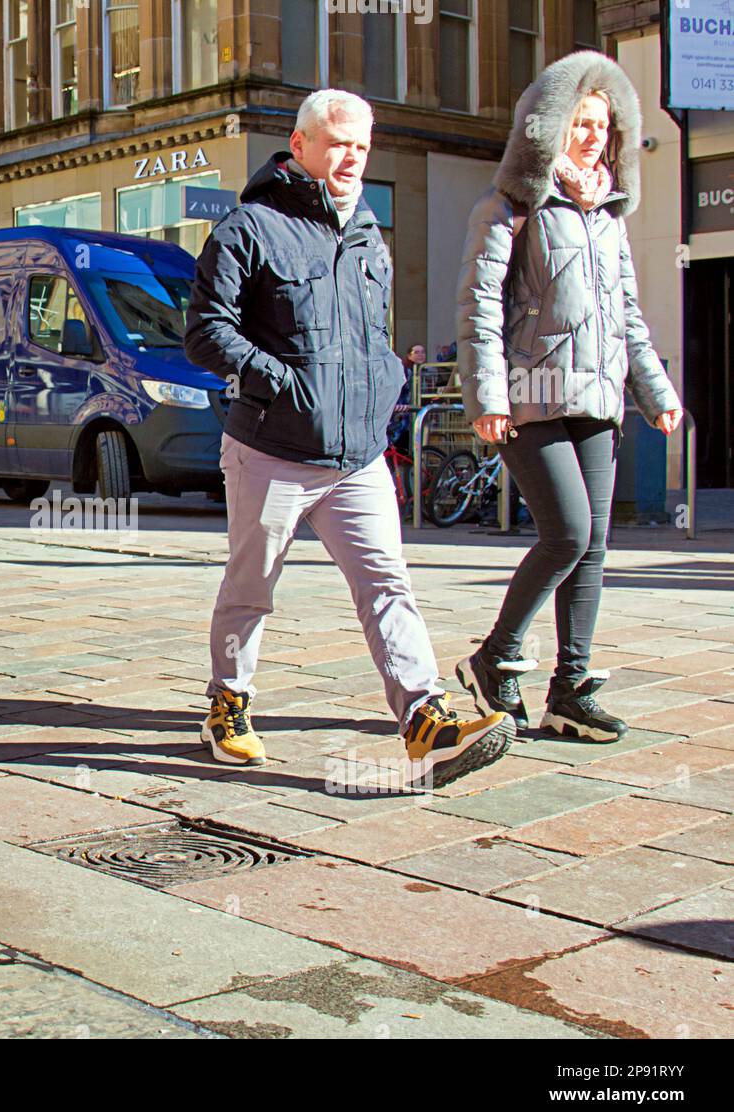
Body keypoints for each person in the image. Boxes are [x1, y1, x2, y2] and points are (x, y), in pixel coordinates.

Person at [184, 89, 514, 788]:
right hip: (271, 447)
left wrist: (385, 378)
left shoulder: (367, 232)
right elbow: (206, 332)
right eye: (336, 142)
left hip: (355, 454)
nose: (350, 157)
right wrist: (280, 380)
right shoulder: (249, 228)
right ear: (299, 145)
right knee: (252, 585)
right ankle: (228, 702)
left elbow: (371, 333)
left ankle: (426, 721)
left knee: (386, 583)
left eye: (362, 146)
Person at [455, 51, 682, 742]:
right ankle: (496, 657)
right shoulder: (510, 207)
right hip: (529, 396)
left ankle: (571, 688)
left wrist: (655, 392)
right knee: (568, 532)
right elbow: (478, 306)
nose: (591, 136)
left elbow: (628, 318)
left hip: (598, 400)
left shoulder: (609, 215)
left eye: (602, 125)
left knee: (595, 546)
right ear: (545, 127)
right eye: (579, 123)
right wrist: (486, 396)